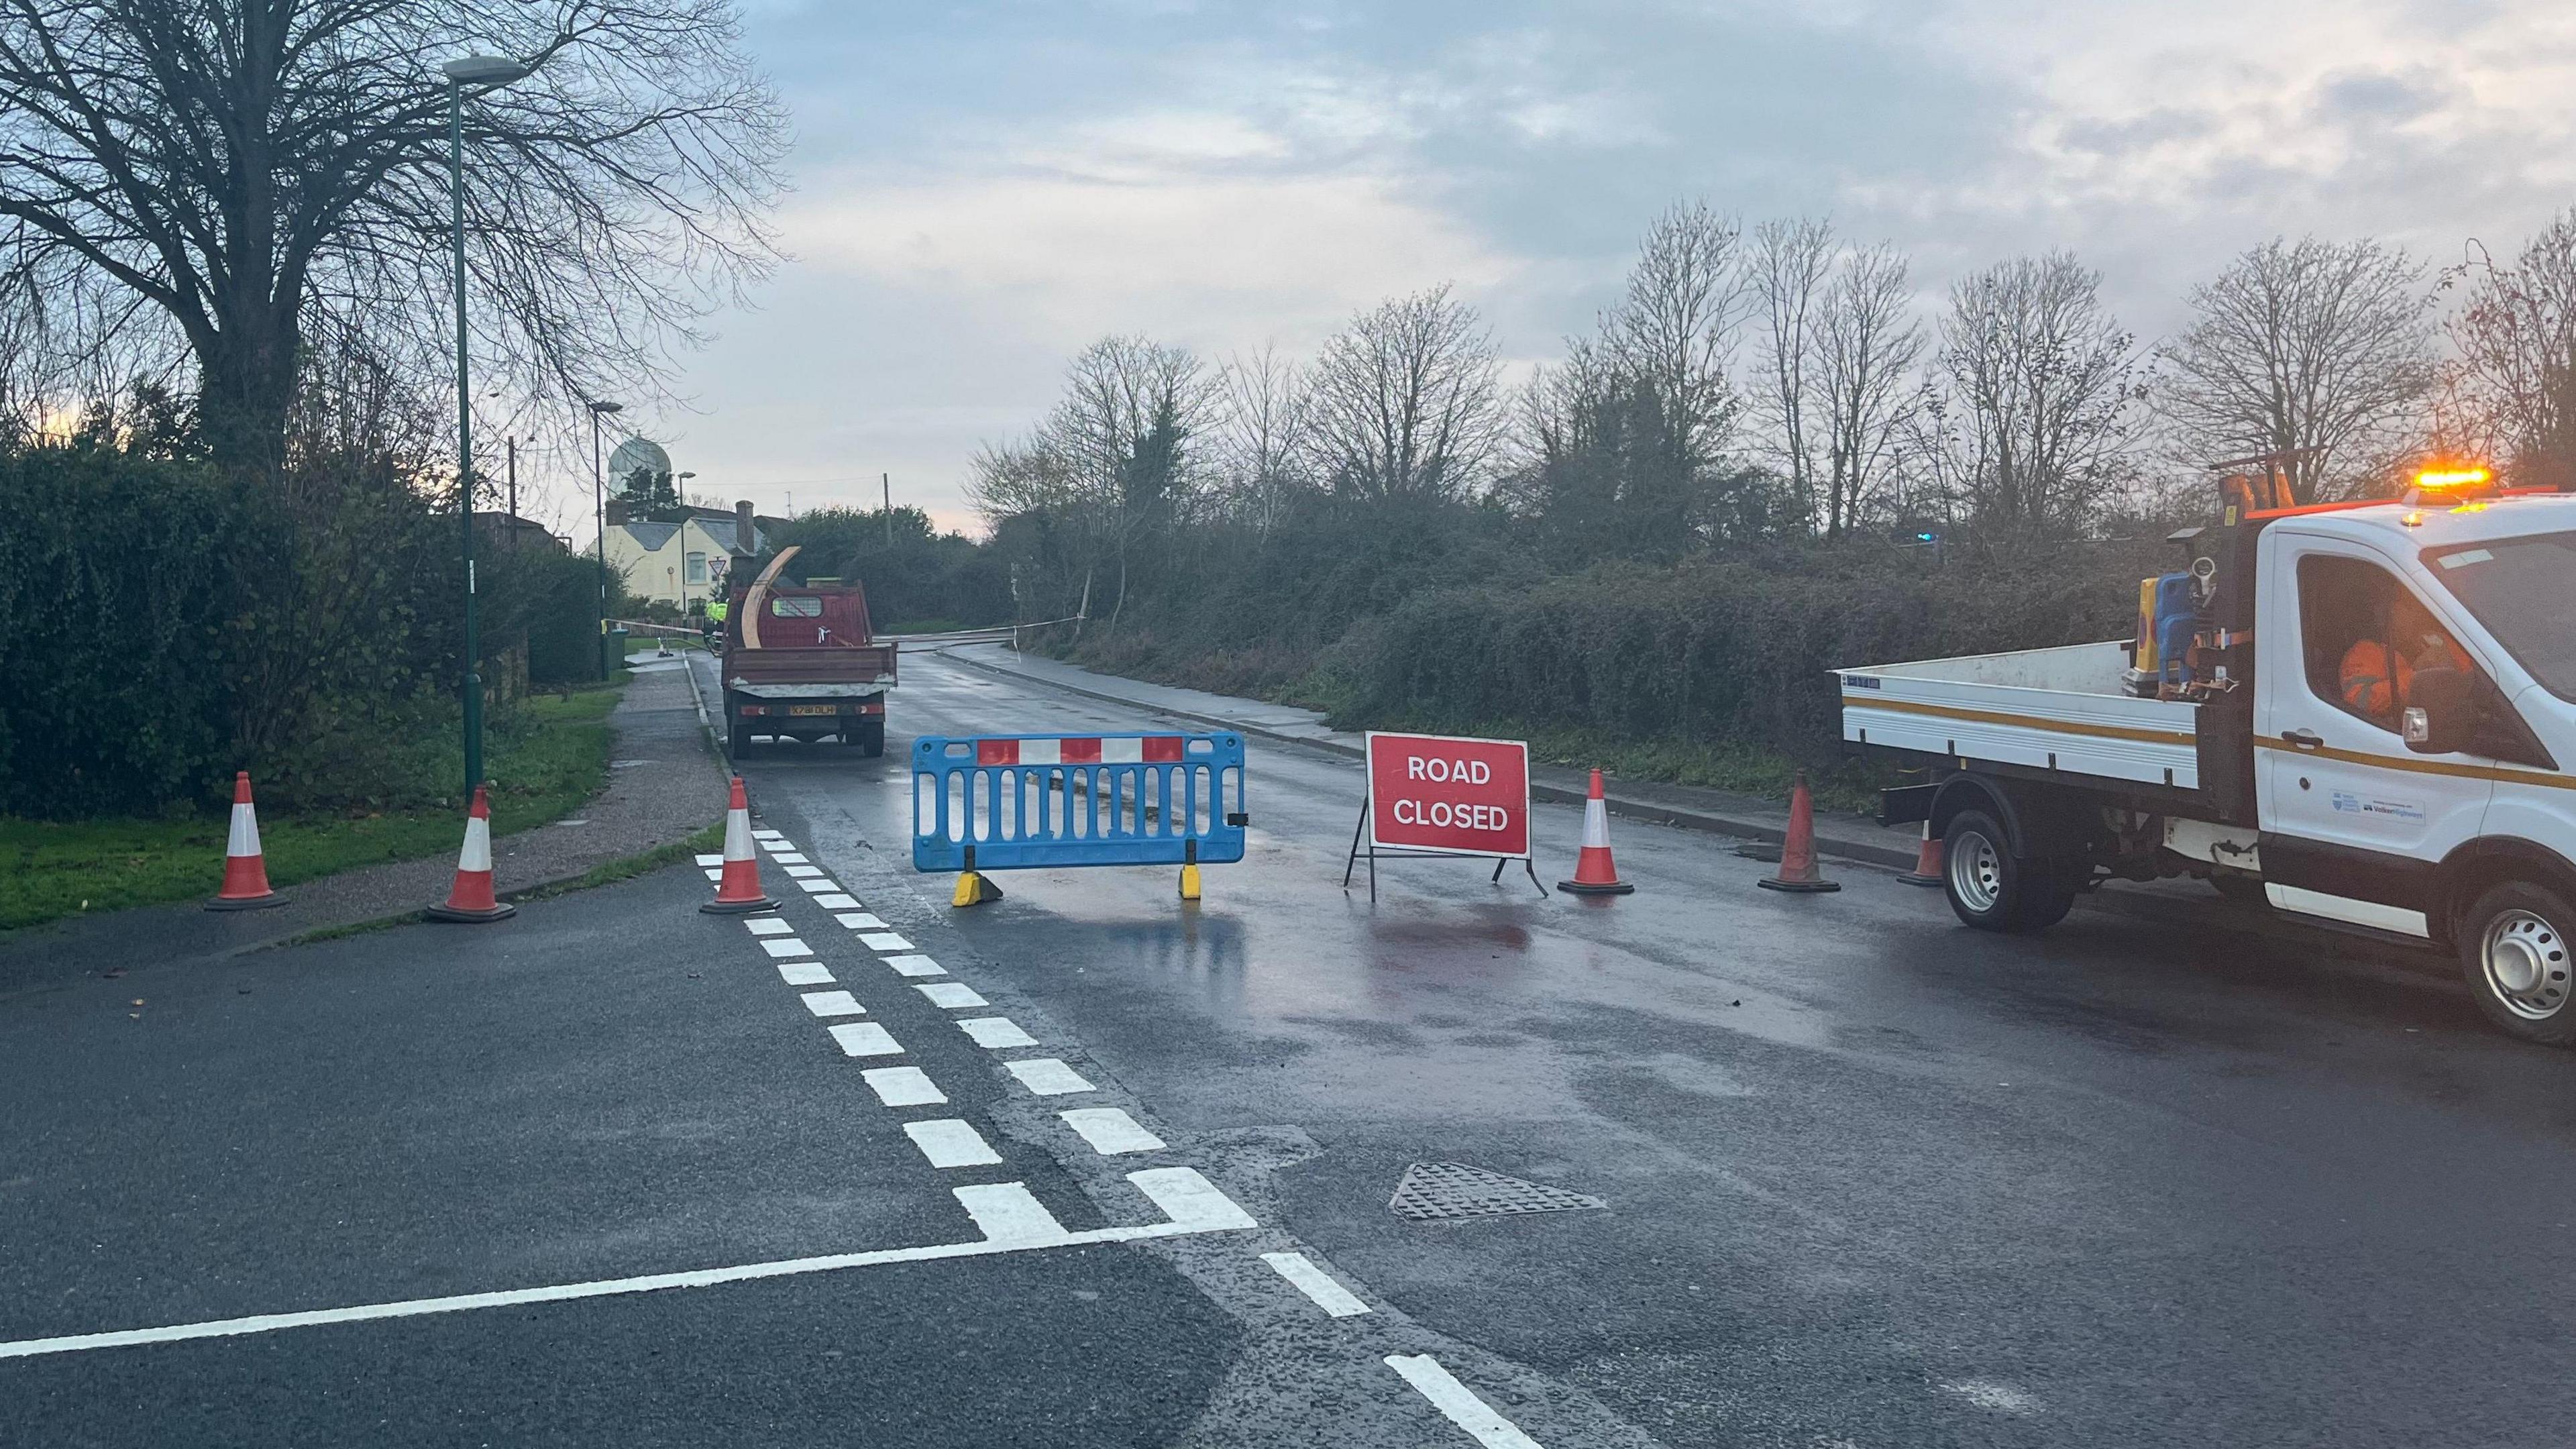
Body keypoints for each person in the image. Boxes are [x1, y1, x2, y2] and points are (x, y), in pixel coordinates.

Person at [2341, 592, 2469, 718]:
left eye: (2415, 607)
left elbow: (2474, 677)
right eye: (2407, 606)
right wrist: (2415, 675)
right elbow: (2359, 702)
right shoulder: (2366, 651)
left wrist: (2449, 662)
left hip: (2452, 722)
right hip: (2397, 729)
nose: (2413, 615)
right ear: (2389, 610)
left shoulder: (2437, 640)